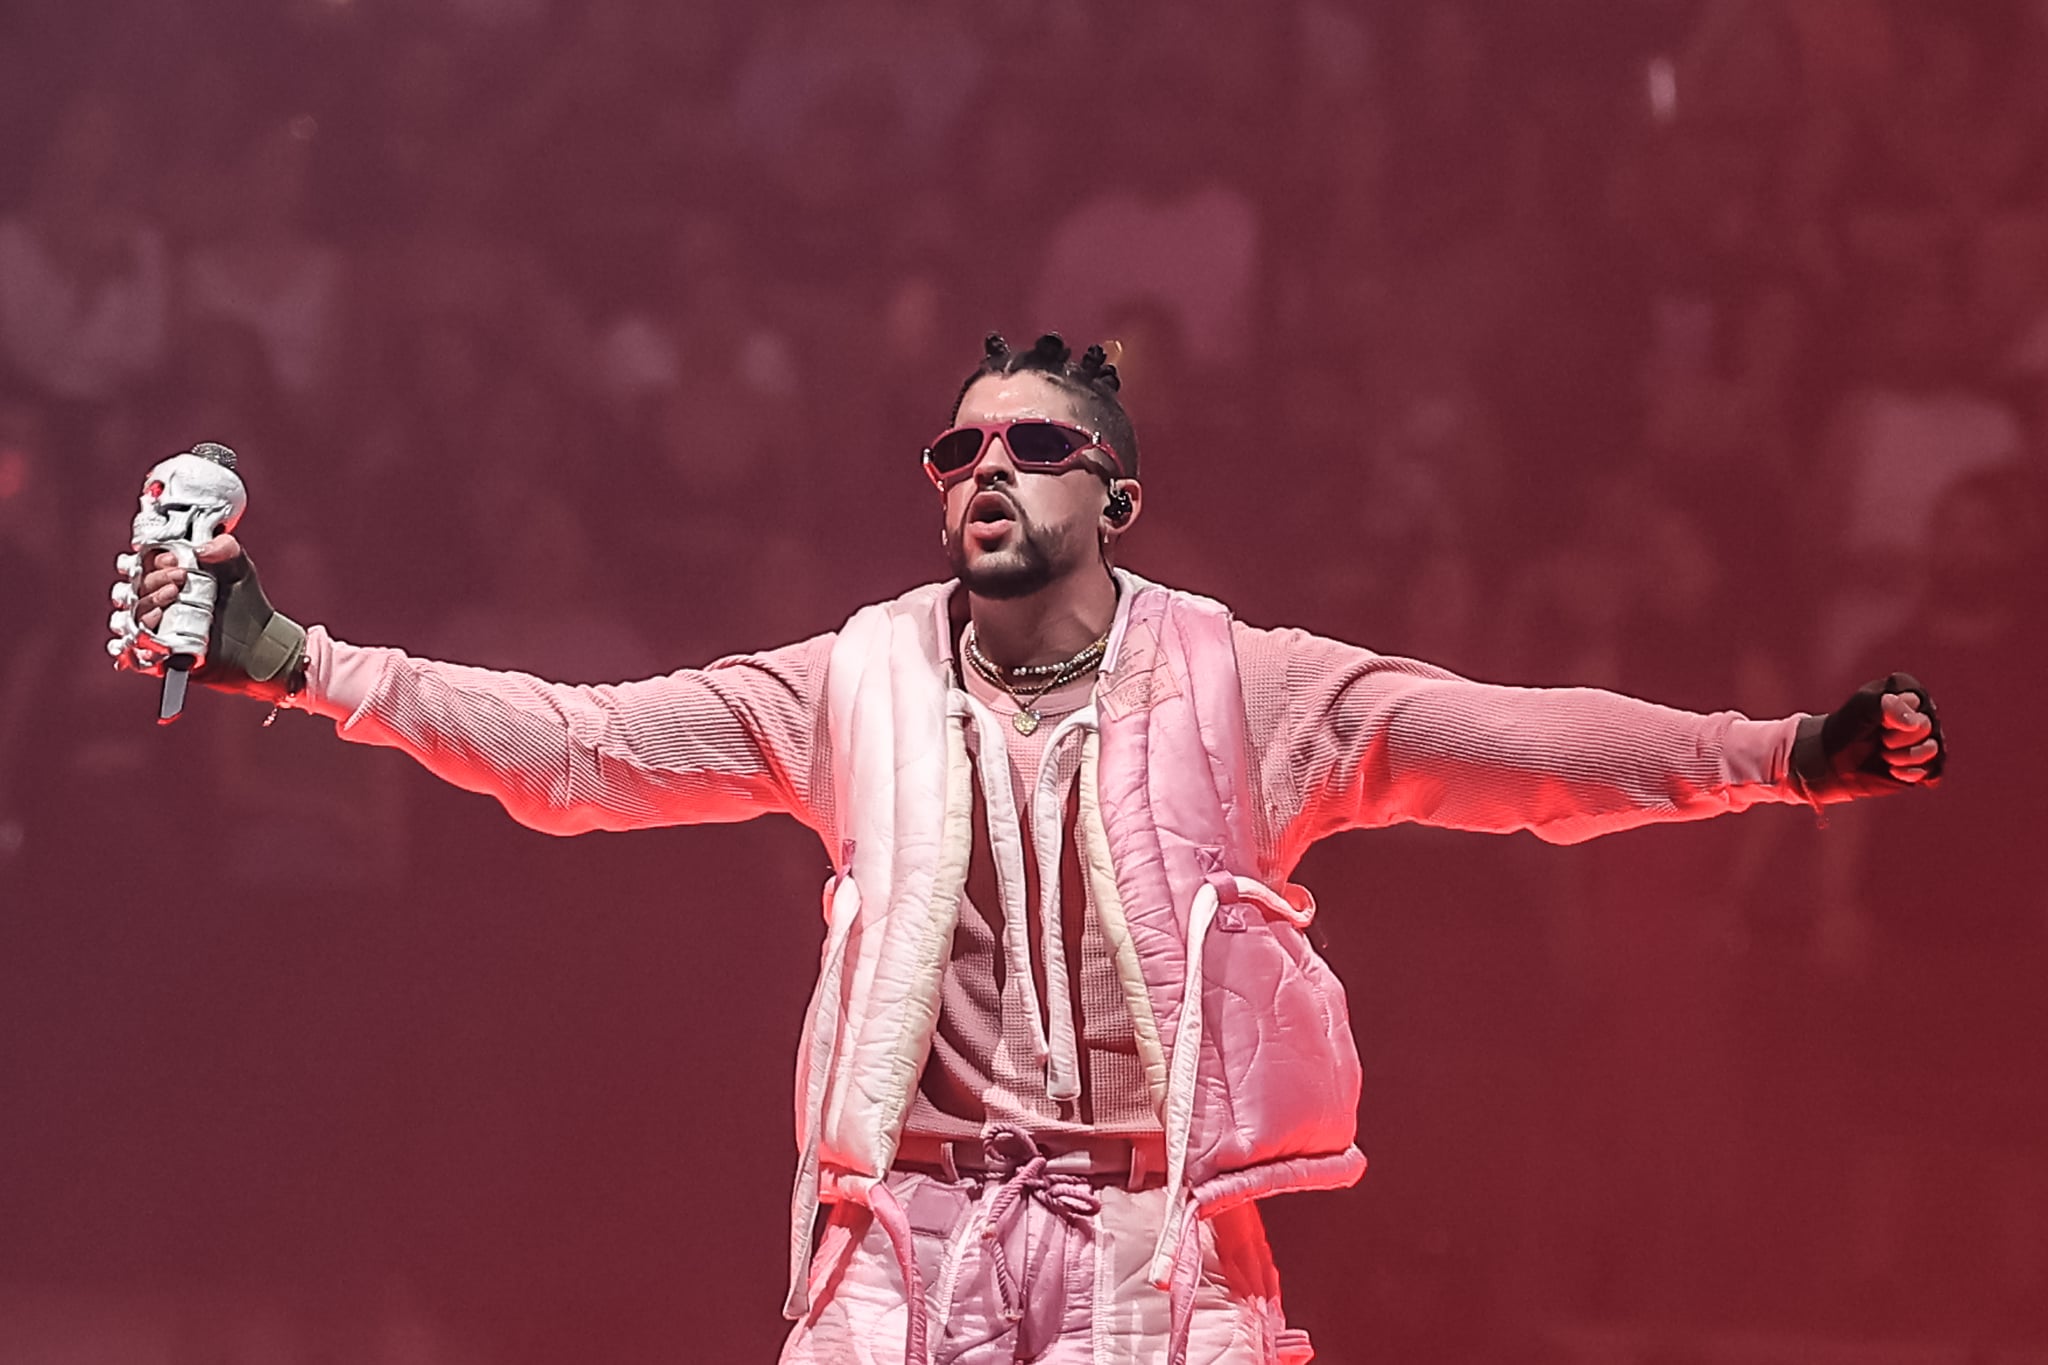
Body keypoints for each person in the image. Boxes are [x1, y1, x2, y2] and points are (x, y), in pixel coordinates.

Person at [113, 332, 1946, 1365]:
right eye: (958, 445)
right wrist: (307, 665)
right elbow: (584, 752)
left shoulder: (1249, 682)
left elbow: (1515, 745)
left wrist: (1776, 756)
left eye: (1035, 443)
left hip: (1158, 1252)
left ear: (1115, 492)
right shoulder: (855, 680)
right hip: (897, 1245)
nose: (986, 466)